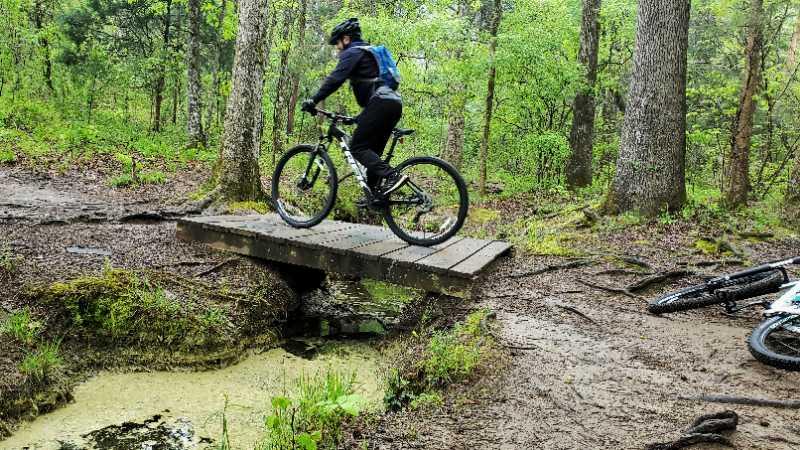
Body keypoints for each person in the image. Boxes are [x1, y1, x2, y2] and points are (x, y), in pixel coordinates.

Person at [301, 18, 407, 197]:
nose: (337, 48)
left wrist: (314, 100)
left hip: (381, 104)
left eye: (337, 43)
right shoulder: (368, 53)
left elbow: (335, 79)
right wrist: (358, 118)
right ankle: (377, 199)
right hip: (392, 104)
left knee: (357, 147)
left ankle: (393, 176)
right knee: (372, 156)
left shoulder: (353, 53)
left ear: (346, 39)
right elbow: (373, 90)